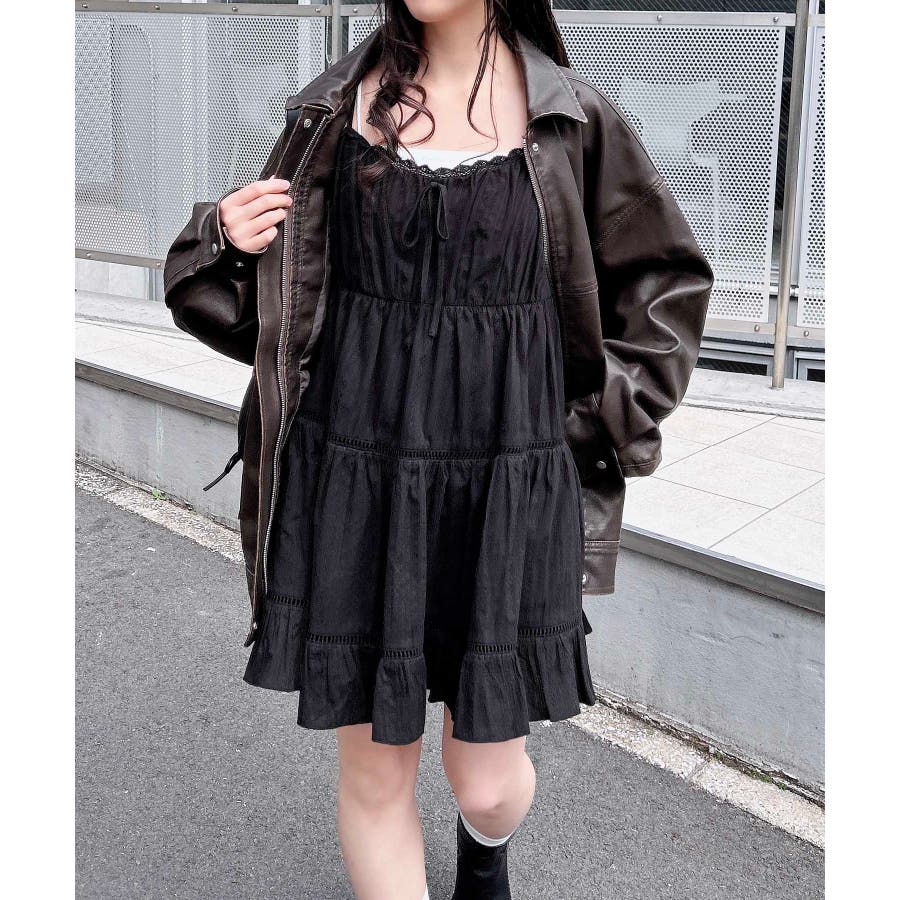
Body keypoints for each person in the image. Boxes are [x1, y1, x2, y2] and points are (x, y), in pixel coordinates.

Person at [163, 1, 713, 897]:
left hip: (506, 482)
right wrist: (221, 238)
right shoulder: (333, 110)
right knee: (375, 773)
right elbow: (276, 305)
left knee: (486, 783)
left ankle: (483, 848)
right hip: (357, 475)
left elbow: (665, 285)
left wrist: (592, 423)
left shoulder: (571, 118)